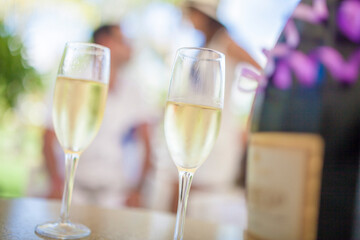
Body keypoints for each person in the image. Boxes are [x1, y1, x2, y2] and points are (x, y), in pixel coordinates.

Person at [43, 24, 153, 208]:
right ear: (104, 42)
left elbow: (147, 143)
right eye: (123, 40)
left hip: (116, 198)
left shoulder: (135, 91)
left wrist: (137, 190)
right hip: (73, 192)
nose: (130, 46)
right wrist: (55, 182)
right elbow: (48, 136)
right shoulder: (72, 81)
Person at [173, 0, 261, 224]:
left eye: (190, 14)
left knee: (205, 198)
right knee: (184, 191)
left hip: (219, 131)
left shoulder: (226, 42)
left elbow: (263, 73)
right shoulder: (203, 43)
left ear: (202, 15)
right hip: (194, 129)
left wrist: (250, 122)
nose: (188, 20)